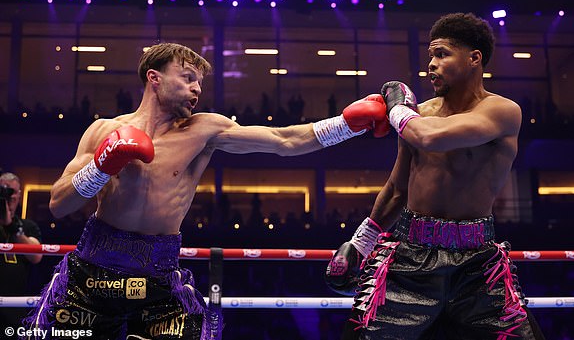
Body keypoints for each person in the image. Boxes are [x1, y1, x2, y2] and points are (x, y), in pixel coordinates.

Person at [22, 42, 390, 340]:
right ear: (154, 78)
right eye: (188, 78)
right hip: (93, 270)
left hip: (157, 276)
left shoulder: (204, 130)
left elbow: (284, 140)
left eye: (200, 81)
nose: (197, 89)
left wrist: (345, 125)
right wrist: (101, 166)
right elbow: (58, 203)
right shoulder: (102, 130)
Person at [326, 13, 545, 339]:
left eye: (442, 54)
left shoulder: (502, 111)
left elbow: (431, 137)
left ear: (474, 58)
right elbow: (398, 188)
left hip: (478, 267)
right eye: (430, 55)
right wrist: (360, 243)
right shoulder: (419, 115)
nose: (431, 64)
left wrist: (398, 107)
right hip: (409, 258)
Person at [0, 172, 43, 328]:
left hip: (18, 304)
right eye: (2, 191)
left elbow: (36, 256)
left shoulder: (27, 226)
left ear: (18, 195)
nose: (7, 196)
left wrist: (12, 227)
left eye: (11, 192)